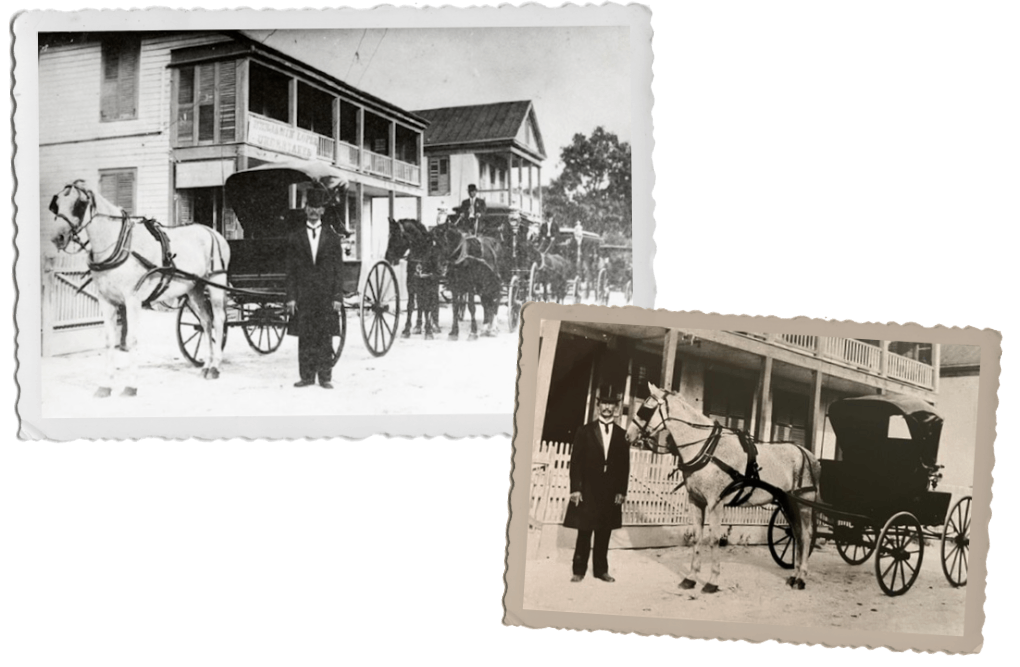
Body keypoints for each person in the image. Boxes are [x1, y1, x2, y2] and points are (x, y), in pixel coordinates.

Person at [563, 383, 630, 582]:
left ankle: (601, 570)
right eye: (604, 404)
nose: (607, 408)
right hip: (588, 489)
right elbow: (575, 462)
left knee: (604, 531)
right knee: (584, 530)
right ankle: (579, 570)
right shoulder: (584, 431)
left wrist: (621, 491)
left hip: (610, 491)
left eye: (611, 404)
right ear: (598, 406)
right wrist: (576, 489)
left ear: (616, 408)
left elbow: (624, 466)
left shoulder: (621, 434)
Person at [285, 185, 345, 389]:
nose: (313, 211)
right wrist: (291, 297)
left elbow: (338, 269)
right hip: (304, 295)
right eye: (310, 207)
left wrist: (337, 297)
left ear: (322, 211)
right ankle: (307, 376)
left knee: (325, 336)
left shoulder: (333, 238)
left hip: (326, 295)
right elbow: (290, 270)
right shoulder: (295, 237)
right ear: (305, 209)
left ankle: (325, 377)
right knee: (305, 337)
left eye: (317, 207)